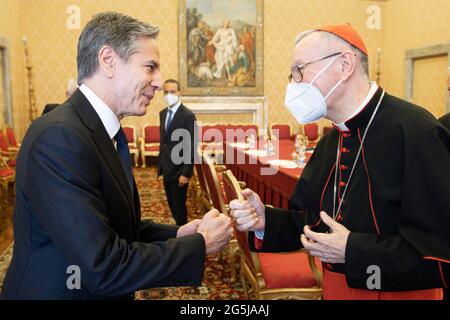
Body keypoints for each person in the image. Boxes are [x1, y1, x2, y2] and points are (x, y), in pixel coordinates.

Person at [2, 12, 233, 300]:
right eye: (150, 67)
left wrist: (177, 235)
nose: (159, 82)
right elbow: (104, 267)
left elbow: (114, 225)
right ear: (108, 60)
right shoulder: (61, 138)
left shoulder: (99, 130)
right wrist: (201, 244)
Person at [230, 23, 450, 300]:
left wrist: (352, 250)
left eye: (300, 70)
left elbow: (441, 251)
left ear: (345, 65)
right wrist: (265, 221)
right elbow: (312, 223)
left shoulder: (416, 131)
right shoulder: (331, 140)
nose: (293, 84)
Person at [158, 79, 196, 226]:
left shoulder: (187, 116)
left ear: (179, 92)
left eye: (172, 92)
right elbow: (165, 141)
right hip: (166, 168)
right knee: (172, 205)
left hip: (179, 170)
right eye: (166, 92)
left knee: (180, 208)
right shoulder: (162, 114)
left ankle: (185, 235)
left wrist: (186, 173)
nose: (169, 95)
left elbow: (191, 146)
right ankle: (180, 231)